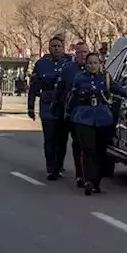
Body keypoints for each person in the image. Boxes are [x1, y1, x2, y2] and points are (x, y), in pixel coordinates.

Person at [65, 52, 114, 195]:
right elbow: (72, 98)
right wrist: (68, 113)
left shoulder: (106, 78)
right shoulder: (80, 79)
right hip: (83, 117)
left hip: (103, 118)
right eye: (90, 63)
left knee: (100, 151)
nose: (93, 66)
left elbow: (118, 90)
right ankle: (88, 180)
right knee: (88, 149)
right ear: (86, 65)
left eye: (95, 63)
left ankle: (96, 181)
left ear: (100, 64)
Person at [26, 36, 70, 180]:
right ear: (49, 48)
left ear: (63, 48)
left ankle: (59, 164)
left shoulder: (69, 62)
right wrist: (30, 106)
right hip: (48, 104)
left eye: (58, 46)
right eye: (53, 46)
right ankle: (51, 168)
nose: (56, 48)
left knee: (62, 138)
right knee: (50, 138)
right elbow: (33, 86)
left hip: (63, 104)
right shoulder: (41, 64)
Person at [54, 41, 91, 187]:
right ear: (75, 54)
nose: (83, 55)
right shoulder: (68, 69)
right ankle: (56, 167)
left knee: (79, 144)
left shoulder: (93, 68)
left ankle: (80, 175)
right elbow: (60, 90)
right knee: (60, 141)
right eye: (80, 52)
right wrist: (57, 106)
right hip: (68, 111)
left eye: (85, 52)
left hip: (83, 114)